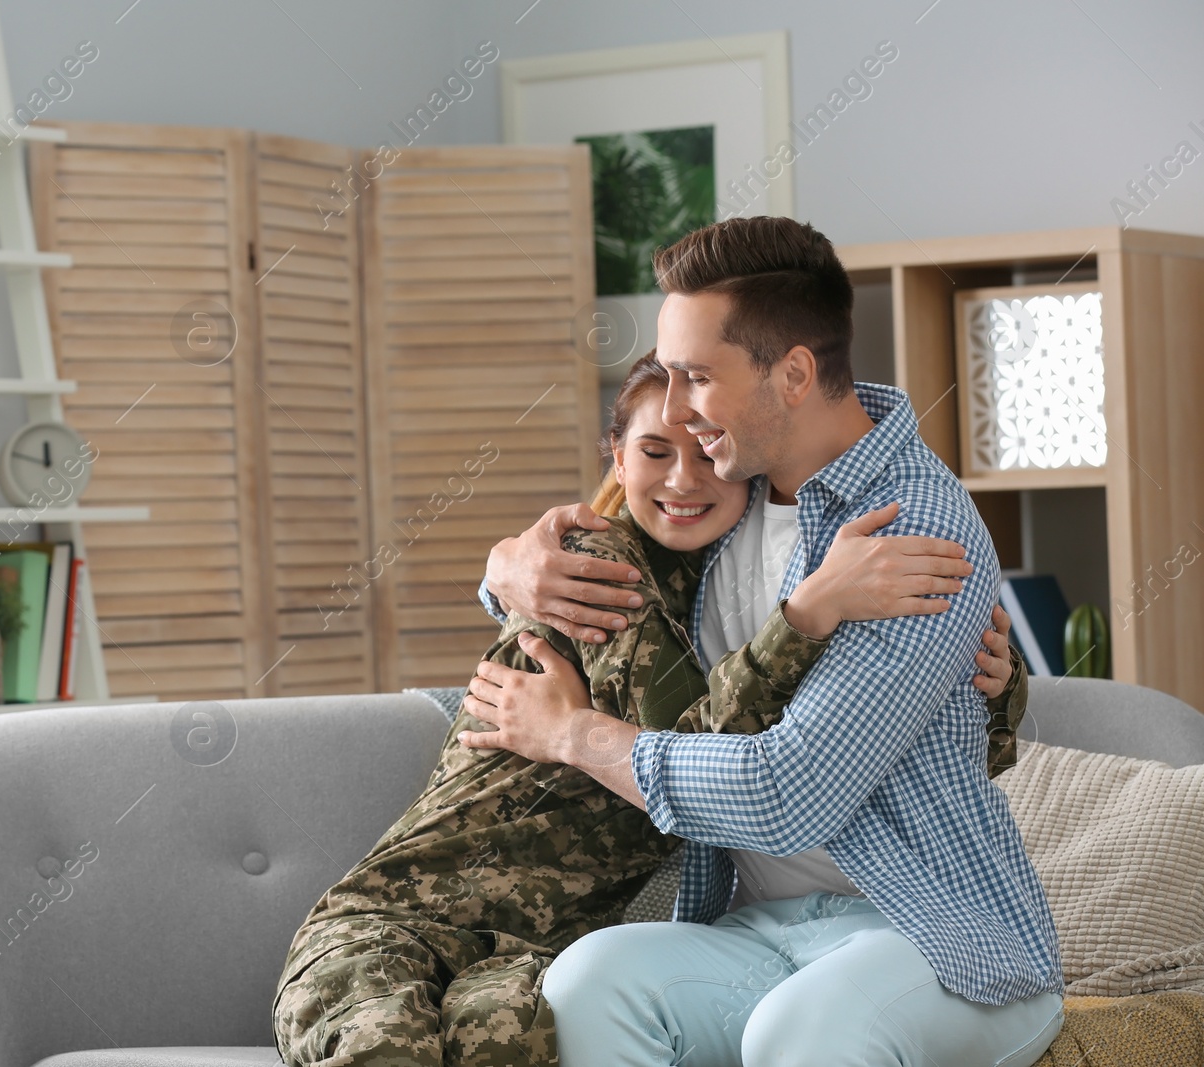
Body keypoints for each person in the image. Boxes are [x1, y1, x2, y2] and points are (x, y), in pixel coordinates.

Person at [271, 351, 1026, 1067]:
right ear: (616, 456)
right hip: (393, 922)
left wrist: (992, 681)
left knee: (520, 1043)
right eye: (656, 452)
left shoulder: (722, 590)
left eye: (705, 450)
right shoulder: (602, 573)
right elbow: (696, 753)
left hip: (520, 958)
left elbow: (874, 740)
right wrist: (806, 610)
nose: (685, 480)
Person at [463, 216, 1063, 1067]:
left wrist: (574, 736)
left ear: (793, 373)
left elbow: (794, 790)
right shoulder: (729, 497)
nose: (675, 408)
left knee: (802, 1031)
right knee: (587, 981)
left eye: (697, 377)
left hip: (932, 932)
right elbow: (615, 555)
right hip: (761, 928)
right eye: (669, 377)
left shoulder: (915, 533)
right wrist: (507, 573)